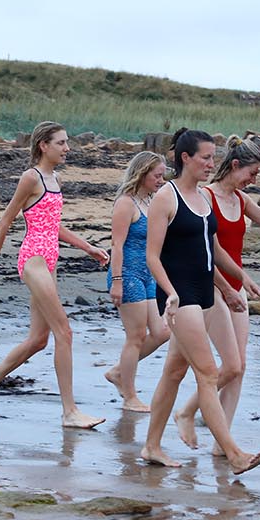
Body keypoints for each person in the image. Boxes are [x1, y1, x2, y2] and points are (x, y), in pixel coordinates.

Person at [140, 128, 260, 474]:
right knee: (208, 374)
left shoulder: (205, 198)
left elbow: (213, 252)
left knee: (174, 371)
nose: (213, 163)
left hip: (205, 291)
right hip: (178, 295)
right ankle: (234, 454)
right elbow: (153, 257)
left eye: (214, 157)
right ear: (186, 158)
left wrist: (236, 285)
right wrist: (171, 292)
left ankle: (151, 446)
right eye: (206, 157)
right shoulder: (166, 197)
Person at [0, 121, 109, 427]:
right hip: (32, 260)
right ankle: (70, 412)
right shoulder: (30, 177)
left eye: (67, 142)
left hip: (49, 260)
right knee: (65, 332)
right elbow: (5, 221)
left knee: (38, 340)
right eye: (61, 143)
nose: (67, 148)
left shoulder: (54, 179)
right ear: (43, 146)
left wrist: (88, 248)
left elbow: (54, 226)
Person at [173, 134, 260, 452]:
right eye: (250, 174)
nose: (251, 181)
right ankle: (186, 411)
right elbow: (206, 248)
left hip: (238, 286)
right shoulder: (205, 196)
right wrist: (231, 285)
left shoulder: (241, 200)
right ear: (235, 165)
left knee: (240, 367)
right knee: (230, 366)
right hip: (212, 286)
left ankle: (223, 444)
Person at [103, 151, 171, 411]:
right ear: (142, 174)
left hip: (148, 275)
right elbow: (116, 246)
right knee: (136, 336)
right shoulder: (126, 203)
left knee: (162, 332)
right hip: (127, 274)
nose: (161, 180)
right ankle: (130, 395)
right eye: (157, 175)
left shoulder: (152, 201)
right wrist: (117, 281)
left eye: (162, 175)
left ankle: (119, 372)